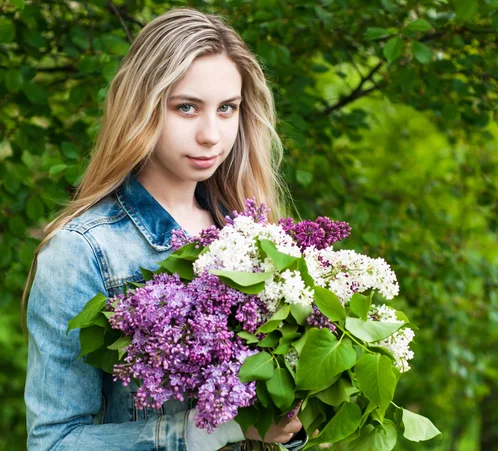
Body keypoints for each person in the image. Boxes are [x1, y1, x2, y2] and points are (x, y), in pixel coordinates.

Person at [22, 7, 307, 451]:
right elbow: (54, 442)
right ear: (142, 108)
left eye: (227, 108)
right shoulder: (82, 251)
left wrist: (292, 427)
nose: (211, 134)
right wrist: (205, 433)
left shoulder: (254, 236)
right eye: (186, 108)